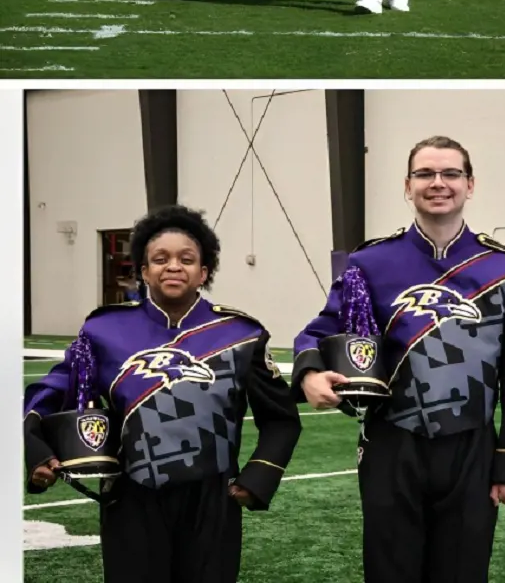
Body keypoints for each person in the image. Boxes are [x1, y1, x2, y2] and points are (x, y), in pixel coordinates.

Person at [294, 136, 505, 583]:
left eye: (450, 174)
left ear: (470, 184)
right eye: (425, 174)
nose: (438, 183)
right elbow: (321, 330)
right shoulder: (369, 262)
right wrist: (309, 372)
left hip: (472, 447)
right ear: (408, 185)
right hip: (391, 442)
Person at [24, 204, 301, 583]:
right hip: (129, 499)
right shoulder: (103, 330)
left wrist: (257, 480)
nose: (173, 266)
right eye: (160, 259)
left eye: (186, 259)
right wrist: (37, 450)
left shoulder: (241, 335)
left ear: (204, 272)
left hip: (213, 501)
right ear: (143, 270)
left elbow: (281, 419)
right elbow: (50, 394)